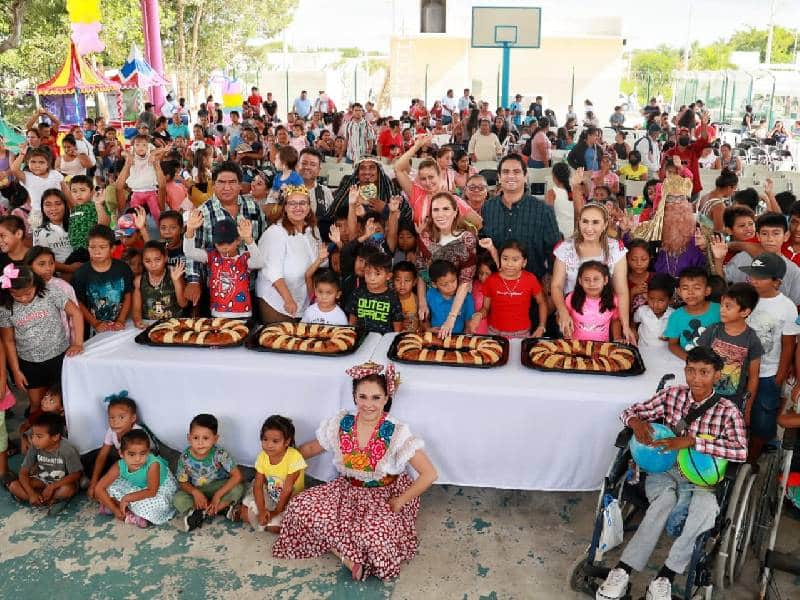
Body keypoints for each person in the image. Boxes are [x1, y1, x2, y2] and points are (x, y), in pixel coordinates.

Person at [597, 346, 746, 600]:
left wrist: (693, 442)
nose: (696, 378)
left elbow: (740, 451)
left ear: (717, 375)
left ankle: (665, 576)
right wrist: (636, 423)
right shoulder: (673, 395)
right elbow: (629, 411)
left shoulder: (728, 412)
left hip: (701, 479)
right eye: (691, 371)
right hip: (664, 471)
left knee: (706, 511)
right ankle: (623, 570)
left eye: (704, 372)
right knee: (664, 502)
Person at [273, 362, 437, 580]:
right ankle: (345, 555)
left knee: (377, 543)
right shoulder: (342, 423)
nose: (368, 404)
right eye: (362, 397)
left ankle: (346, 542)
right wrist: (282, 461)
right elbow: (312, 448)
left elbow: (429, 474)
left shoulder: (396, 432)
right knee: (298, 507)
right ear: (354, 397)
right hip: (346, 489)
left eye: (376, 397)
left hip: (384, 495)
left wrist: (400, 501)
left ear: (386, 398)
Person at [0, 260, 83, 417]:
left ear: (35, 285)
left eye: (27, 293)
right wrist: (16, 371)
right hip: (29, 363)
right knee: (37, 404)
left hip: (59, 357)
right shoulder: (5, 306)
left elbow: (76, 313)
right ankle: (36, 429)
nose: (23, 299)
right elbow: (8, 341)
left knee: (63, 401)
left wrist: (78, 343)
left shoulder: (50, 292)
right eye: (16, 295)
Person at [183, 162, 266, 310]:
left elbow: (263, 241)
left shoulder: (253, 207)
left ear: (240, 185)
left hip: (251, 287)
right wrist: (193, 281)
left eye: (232, 182)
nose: (227, 187)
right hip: (217, 291)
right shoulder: (203, 212)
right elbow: (193, 249)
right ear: (213, 185)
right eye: (221, 182)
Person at [552, 203, 634, 343]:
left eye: (595, 222)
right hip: (570, 317)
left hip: (602, 320)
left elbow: (621, 291)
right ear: (579, 222)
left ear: (605, 225)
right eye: (585, 221)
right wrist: (563, 312)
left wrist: (625, 325)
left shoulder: (615, 249)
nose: (589, 228)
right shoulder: (565, 248)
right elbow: (556, 286)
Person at [481, 154, 560, 284]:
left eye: (516, 172)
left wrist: (552, 280)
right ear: (499, 177)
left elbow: (554, 251)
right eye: (506, 172)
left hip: (533, 286)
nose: (511, 176)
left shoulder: (543, 210)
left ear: (525, 176)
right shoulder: (488, 208)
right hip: (496, 285)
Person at [228, 415, 305, 533]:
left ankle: (268, 522)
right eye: (265, 439)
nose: (269, 445)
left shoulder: (294, 457)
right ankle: (259, 517)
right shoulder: (262, 457)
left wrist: (276, 511)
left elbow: (287, 490)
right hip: (271, 494)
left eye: (275, 441)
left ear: (286, 442)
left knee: (278, 527)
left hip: (290, 500)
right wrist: (262, 510)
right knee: (247, 511)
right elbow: (258, 486)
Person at [414, 192, 477, 338]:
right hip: (433, 299)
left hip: (460, 300)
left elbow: (465, 281)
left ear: (455, 212)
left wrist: (452, 317)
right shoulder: (425, 238)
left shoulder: (467, 239)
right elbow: (421, 272)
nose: (440, 214)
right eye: (436, 210)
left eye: (446, 209)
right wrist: (422, 302)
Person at [256, 185, 322, 322]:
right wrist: (288, 299)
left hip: (304, 300)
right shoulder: (276, 232)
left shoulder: (313, 230)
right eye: (292, 203)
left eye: (302, 203)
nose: (298, 207)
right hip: (278, 302)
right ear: (285, 207)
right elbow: (272, 271)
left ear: (309, 207)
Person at [183, 210, 264, 319]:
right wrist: (190, 230)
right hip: (217, 314)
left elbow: (259, 263)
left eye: (229, 242)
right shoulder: (212, 256)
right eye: (220, 243)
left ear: (238, 240)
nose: (225, 247)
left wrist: (249, 239)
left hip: (243, 314)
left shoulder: (243, 258)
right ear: (214, 242)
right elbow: (189, 252)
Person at [173, 413, 244, 532]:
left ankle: (202, 513)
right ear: (189, 438)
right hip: (198, 490)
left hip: (218, 487)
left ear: (215, 439)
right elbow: (182, 482)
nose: (200, 443)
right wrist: (195, 492)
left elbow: (237, 476)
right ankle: (220, 509)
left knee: (238, 488)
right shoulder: (185, 458)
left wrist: (218, 495)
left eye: (206, 438)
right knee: (178, 499)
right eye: (196, 438)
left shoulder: (220, 454)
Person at [696, 283, 762, 408]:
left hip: (733, 401)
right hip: (705, 396)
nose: (722, 309)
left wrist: (747, 407)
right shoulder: (713, 330)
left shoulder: (752, 340)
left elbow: (753, 377)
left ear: (744, 312)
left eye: (728, 306)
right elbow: (698, 361)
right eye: (722, 305)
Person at [394, 135, 481, 228]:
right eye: (423, 179)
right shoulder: (416, 193)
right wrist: (416, 146)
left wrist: (456, 226)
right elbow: (398, 168)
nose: (428, 182)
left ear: (439, 176)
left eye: (431, 177)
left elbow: (478, 223)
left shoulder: (453, 200)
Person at [96, 429, 177, 528]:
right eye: (131, 454)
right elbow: (99, 488)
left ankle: (131, 511)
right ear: (121, 453)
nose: (137, 459)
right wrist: (115, 510)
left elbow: (152, 491)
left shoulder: (153, 464)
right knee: (107, 490)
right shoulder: (119, 465)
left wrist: (126, 498)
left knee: (150, 505)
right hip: (136, 484)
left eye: (143, 454)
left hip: (158, 487)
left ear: (148, 452)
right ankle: (124, 510)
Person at [470, 240, 547, 338]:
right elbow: (485, 308)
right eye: (505, 259)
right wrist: (479, 315)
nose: (509, 264)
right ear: (499, 259)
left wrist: (541, 326)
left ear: (524, 262)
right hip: (494, 333)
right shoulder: (491, 280)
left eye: (515, 260)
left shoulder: (530, 279)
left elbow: (542, 302)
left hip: (522, 334)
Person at [7, 413, 81, 514]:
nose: (34, 440)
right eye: (32, 435)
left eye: (39, 436)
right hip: (41, 480)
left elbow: (76, 474)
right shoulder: (35, 446)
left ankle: (39, 500)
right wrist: (31, 493)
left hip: (61, 483)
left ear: (55, 437)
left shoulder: (67, 449)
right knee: (13, 486)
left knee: (68, 489)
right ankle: (46, 500)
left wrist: (52, 486)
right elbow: (23, 472)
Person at [725, 212, 800, 305]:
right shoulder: (740, 259)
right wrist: (718, 260)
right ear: (758, 236)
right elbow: (724, 284)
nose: (770, 239)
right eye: (764, 233)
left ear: (786, 236)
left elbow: (793, 305)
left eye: (776, 233)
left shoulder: (794, 271)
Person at [72, 225, 133, 333]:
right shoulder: (81, 273)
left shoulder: (123, 268)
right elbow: (79, 303)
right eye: (92, 247)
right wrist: (95, 323)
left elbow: (128, 296)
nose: (97, 252)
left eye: (102, 247)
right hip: (94, 329)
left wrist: (121, 320)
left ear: (112, 248)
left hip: (122, 325)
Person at [664, 267, 721, 359]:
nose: (690, 292)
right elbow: (673, 344)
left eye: (697, 288)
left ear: (707, 291)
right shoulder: (676, 316)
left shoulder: (720, 310)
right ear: (679, 292)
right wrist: (690, 360)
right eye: (685, 288)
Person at [131, 241, 187, 327]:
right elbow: (136, 309)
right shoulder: (139, 280)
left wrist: (176, 280)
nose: (153, 265)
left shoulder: (175, 274)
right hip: (149, 325)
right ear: (142, 261)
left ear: (165, 258)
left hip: (174, 324)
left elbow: (183, 303)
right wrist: (138, 321)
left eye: (157, 260)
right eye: (147, 261)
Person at [345, 251, 403, 333]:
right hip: (361, 338)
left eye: (377, 274)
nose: (372, 278)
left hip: (384, 339)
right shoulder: (357, 293)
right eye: (368, 273)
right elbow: (352, 323)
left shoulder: (392, 298)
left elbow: (397, 329)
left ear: (388, 276)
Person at [564, 260, 620, 341]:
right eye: (587, 280)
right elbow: (561, 317)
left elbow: (615, 320)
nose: (591, 284)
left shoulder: (613, 300)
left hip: (601, 347)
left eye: (596, 279)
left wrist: (617, 338)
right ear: (580, 281)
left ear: (605, 280)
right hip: (575, 346)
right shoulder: (571, 298)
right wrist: (565, 328)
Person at [9, 146, 64, 229]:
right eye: (33, 162)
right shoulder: (27, 177)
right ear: (28, 162)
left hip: (57, 211)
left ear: (48, 164)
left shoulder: (55, 174)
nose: (37, 165)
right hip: (38, 214)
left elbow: (66, 193)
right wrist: (22, 154)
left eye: (41, 162)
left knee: (60, 234)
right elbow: (14, 169)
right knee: (40, 235)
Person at [424, 259, 476, 335]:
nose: (451, 286)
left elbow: (469, 322)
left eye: (453, 281)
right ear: (434, 284)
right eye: (445, 284)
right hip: (435, 336)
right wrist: (428, 329)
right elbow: (424, 319)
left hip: (458, 337)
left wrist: (468, 331)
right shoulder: (431, 294)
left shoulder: (466, 297)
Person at [634, 273, 675, 347]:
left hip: (666, 352)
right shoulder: (642, 311)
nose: (655, 305)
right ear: (647, 296)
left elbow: (677, 334)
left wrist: (671, 337)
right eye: (651, 299)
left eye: (661, 300)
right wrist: (633, 331)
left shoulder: (674, 315)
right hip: (643, 351)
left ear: (670, 300)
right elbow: (632, 321)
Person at [626, 238, 652, 315]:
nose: (639, 263)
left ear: (650, 258)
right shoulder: (622, 281)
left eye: (644, 259)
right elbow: (621, 312)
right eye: (634, 259)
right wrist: (632, 293)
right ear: (627, 259)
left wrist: (651, 295)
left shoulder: (655, 279)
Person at [393, 261, 419, 332]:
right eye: (398, 280)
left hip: (410, 334)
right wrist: (400, 323)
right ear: (393, 280)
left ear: (414, 282)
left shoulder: (416, 300)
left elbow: (419, 321)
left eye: (407, 280)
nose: (402, 284)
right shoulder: (389, 298)